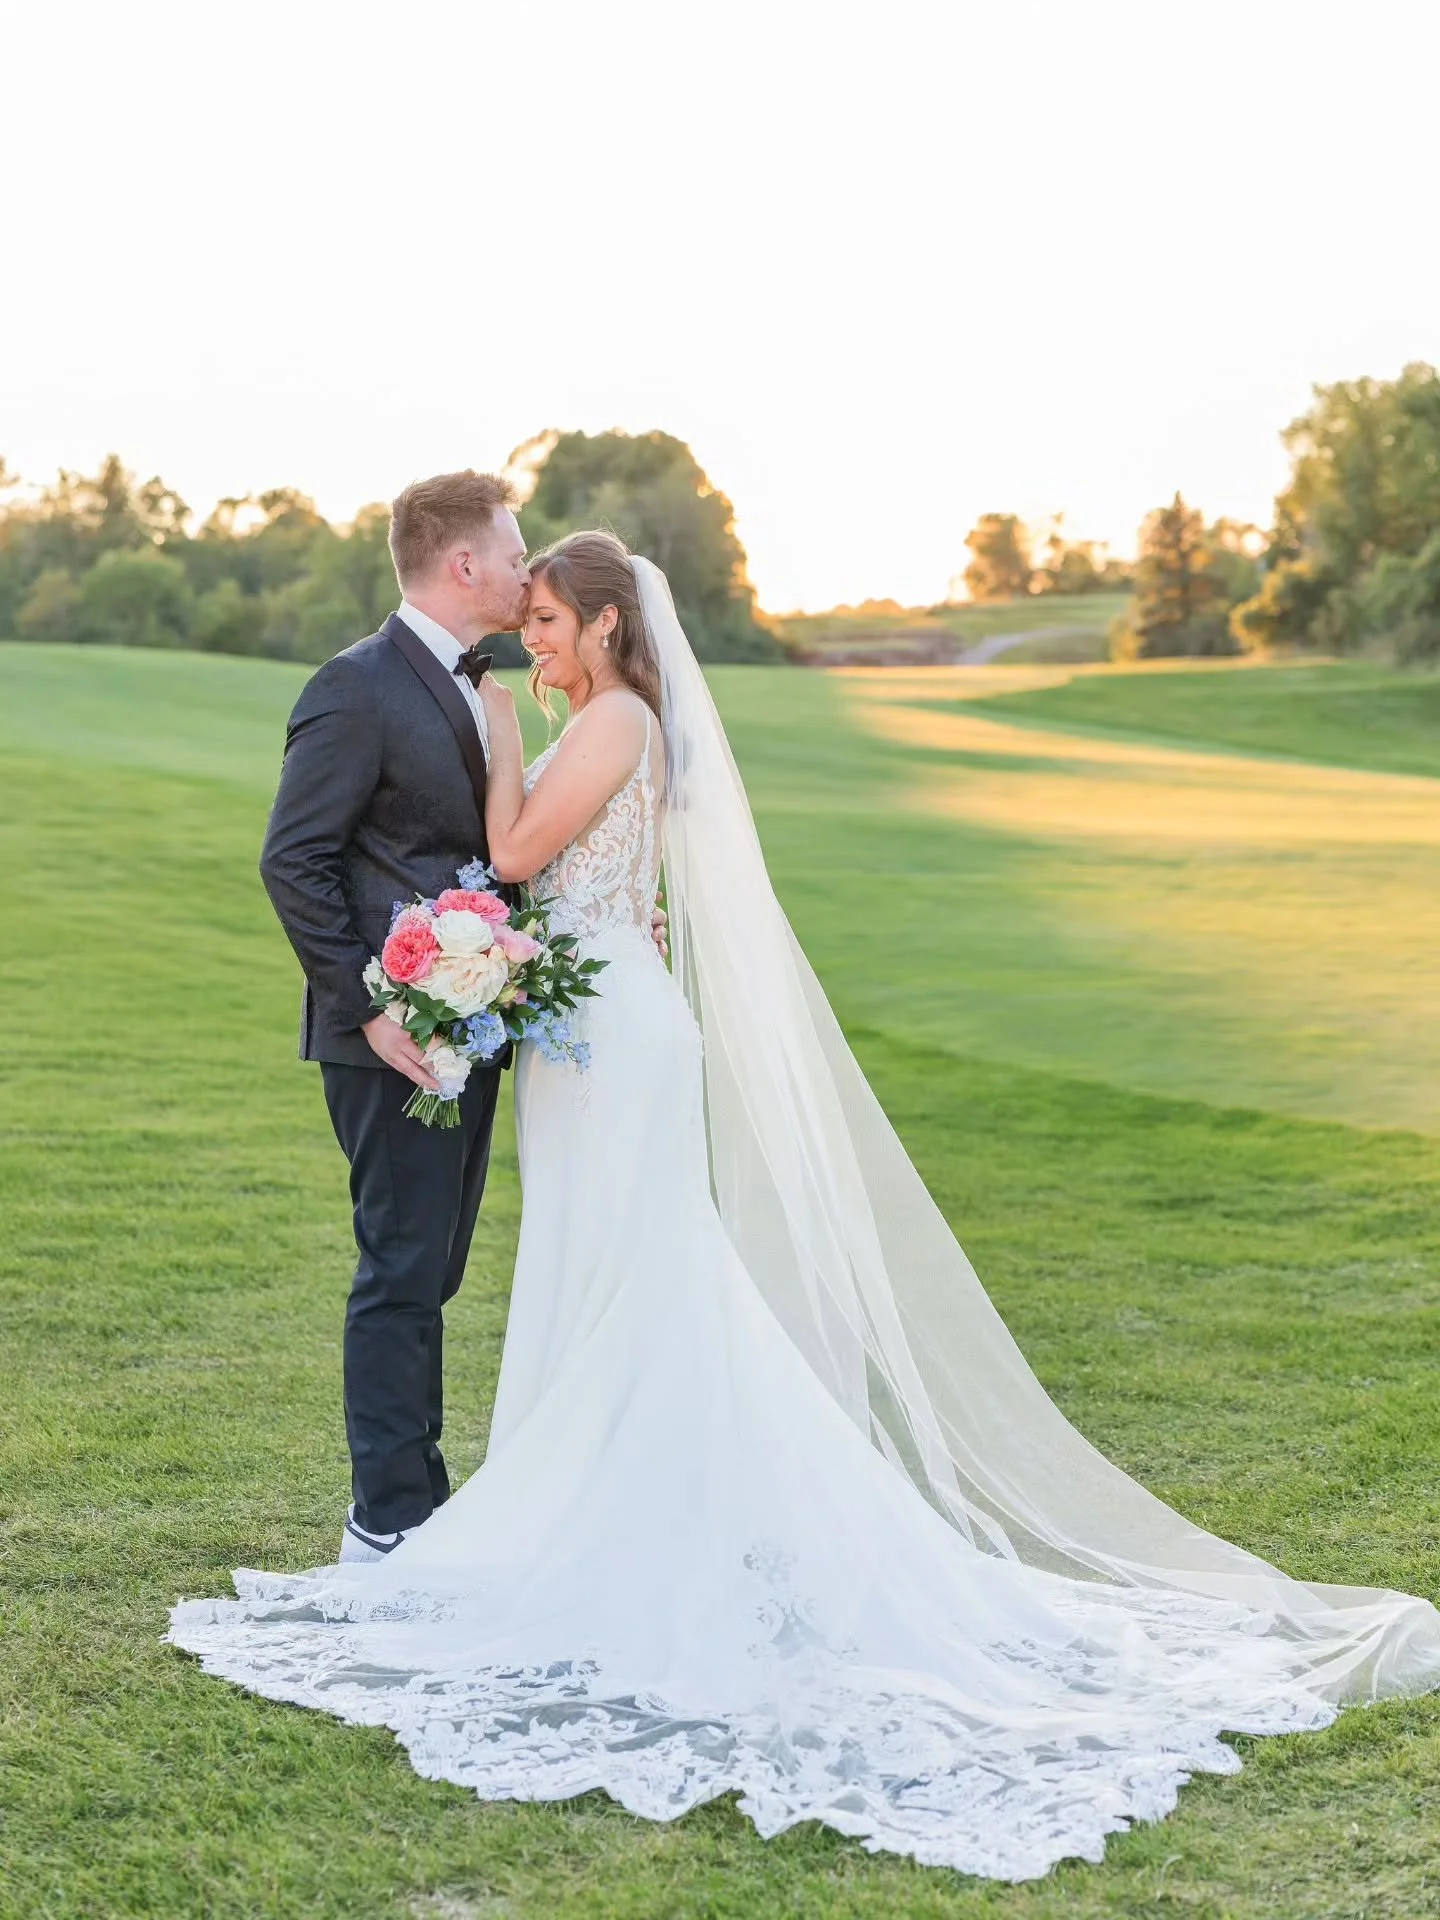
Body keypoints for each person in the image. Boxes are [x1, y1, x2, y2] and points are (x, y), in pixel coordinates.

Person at [175, 532, 1440, 1881]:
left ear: (605, 624)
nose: (529, 643)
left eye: (545, 621)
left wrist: (493, 728)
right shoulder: (606, 716)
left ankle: (643, 1527)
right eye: (522, 622)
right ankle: (588, 1505)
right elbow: (587, 891)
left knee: (644, 1277)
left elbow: (512, 845)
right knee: (603, 1275)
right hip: (587, 1034)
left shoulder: (614, 717)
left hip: (619, 1046)